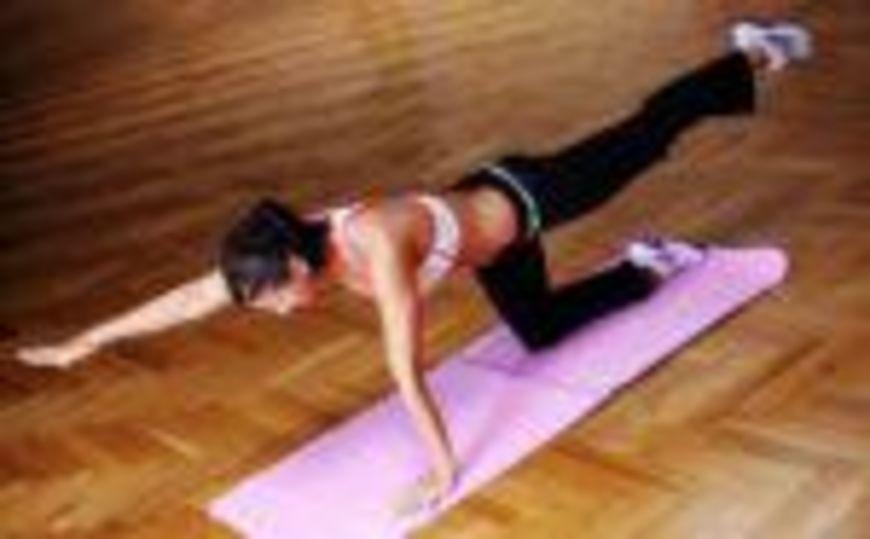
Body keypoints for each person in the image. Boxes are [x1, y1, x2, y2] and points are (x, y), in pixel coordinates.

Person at [16, 20, 813, 509]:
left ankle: (754, 55)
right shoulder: (283, 253)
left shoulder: (377, 248)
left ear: (295, 266)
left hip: (536, 196)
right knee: (538, 332)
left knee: (649, 131)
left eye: (270, 299)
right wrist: (85, 341)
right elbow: (189, 298)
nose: (271, 311)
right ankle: (645, 266)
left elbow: (406, 371)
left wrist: (440, 474)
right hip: (493, 238)